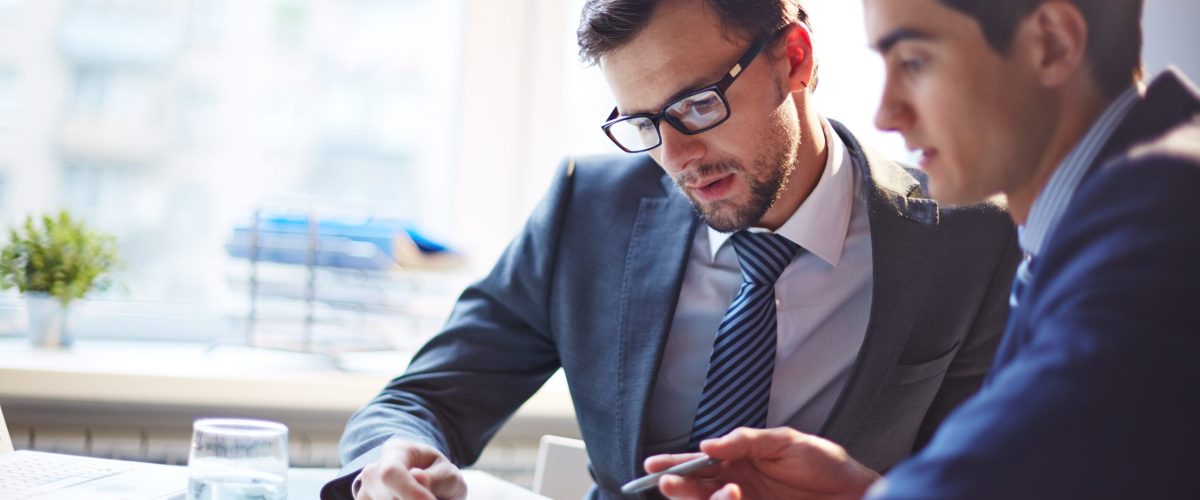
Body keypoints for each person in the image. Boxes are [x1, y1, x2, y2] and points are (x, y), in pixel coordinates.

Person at [322, 0, 1020, 498]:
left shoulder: (968, 239)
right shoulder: (586, 211)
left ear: (795, 59)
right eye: (642, 124)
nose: (678, 155)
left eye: (695, 106)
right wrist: (387, 462)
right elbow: (421, 401)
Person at [645, 0, 1200, 498]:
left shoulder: (1159, 235)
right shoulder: (1104, 216)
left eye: (914, 61)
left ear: (1051, 43)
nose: (886, 114)